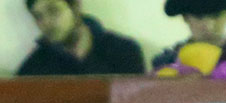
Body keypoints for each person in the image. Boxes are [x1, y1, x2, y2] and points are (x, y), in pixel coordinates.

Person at [17, 0, 145, 76]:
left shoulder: (124, 51)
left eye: (53, 10)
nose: (46, 23)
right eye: (38, 16)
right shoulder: (32, 69)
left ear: (75, 7)